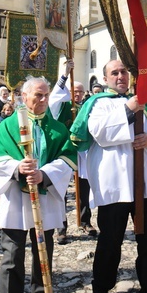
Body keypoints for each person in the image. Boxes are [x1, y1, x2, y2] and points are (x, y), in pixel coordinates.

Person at [70, 60, 147, 293]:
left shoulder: (146, 103)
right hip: (113, 186)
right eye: (114, 72)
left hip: (146, 185)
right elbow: (102, 134)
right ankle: (101, 290)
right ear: (105, 78)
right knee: (109, 242)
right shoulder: (96, 104)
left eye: (124, 72)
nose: (120, 76)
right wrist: (129, 109)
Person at [0, 76, 77, 293]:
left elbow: (68, 158)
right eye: (38, 95)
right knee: (12, 258)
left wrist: (44, 174)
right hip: (16, 200)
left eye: (46, 95)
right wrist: (17, 167)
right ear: (24, 97)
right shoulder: (7, 126)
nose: (44, 100)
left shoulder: (57, 129)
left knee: (43, 252)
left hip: (44, 201)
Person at [49, 60, 97, 244]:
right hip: (63, 151)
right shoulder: (59, 106)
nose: (77, 94)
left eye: (80, 92)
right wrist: (65, 75)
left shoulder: (86, 107)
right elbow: (54, 96)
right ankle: (61, 227)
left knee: (84, 187)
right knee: (60, 189)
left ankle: (85, 221)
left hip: (82, 152)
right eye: (74, 91)